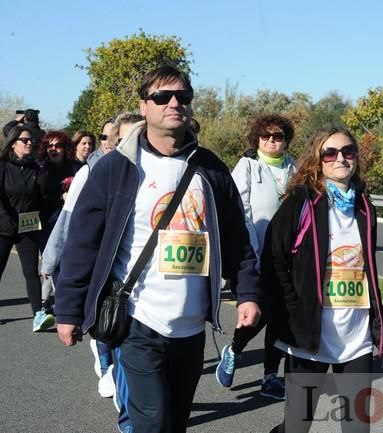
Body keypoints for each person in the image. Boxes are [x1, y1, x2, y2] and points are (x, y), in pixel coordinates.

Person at [55, 65, 261, 433]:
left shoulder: (209, 169)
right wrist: (68, 310)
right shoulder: (117, 168)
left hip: (191, 326)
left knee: (175, 423)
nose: (173, 103)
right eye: (162, 97)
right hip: (138, 321)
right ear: (144, 106)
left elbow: (236, 239)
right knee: (152, 423)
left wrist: (247, 292)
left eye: (182, 97)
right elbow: (82, 244)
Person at [262, 126, 383, 433]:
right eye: (330, 153)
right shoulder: (301, 202)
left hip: (355, 338)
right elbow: (273, 258)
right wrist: (293, 308)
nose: (340, 159)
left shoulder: (364, 207)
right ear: (317, 160)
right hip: (310, 338)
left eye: (348, 152)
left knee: (358, 428)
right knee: (297, 426)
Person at [41, 112, 143, 399]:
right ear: (111, 141)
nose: (128, 145)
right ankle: (107, 364)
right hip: (101, 272)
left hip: (134, 279)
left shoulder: (148, 173)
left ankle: (123, 390)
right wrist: (50, 260)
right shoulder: (91, 172)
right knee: (106, 323)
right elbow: (69, 225)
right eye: (121, 139)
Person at [216, 114, 296, 400]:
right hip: (255, 256)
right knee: (257, 315)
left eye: (278, 136)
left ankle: (270, 376)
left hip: (286, 259)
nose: (272, 141)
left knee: (279, 317)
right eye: (266, 137)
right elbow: (240, 210)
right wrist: (249, 251)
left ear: (286, 139)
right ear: (257, 139)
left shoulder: (295, 169)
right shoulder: (248, 166)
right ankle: (234, 350)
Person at [0, 127, 50, 330]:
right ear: (13, 143)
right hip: (3, 228)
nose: (29, 143)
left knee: (31, 272)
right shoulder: (3, 166)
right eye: (24, 140)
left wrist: (43, 177)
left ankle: (38, 315)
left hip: (27, 227)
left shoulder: (36, 168)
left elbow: (42, 197)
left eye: (31, 141)